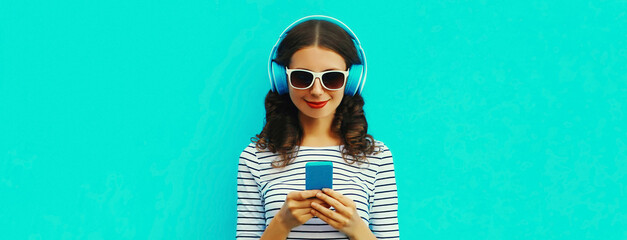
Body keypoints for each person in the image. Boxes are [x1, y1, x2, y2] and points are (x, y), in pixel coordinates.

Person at [236, 15, 399, 240]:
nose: (316, 91)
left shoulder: (377, 157)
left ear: (351, 80)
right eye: (303, 78)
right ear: (282, 79)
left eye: (331, 78)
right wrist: (282, 223)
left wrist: (356, 229)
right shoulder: (254, 157)